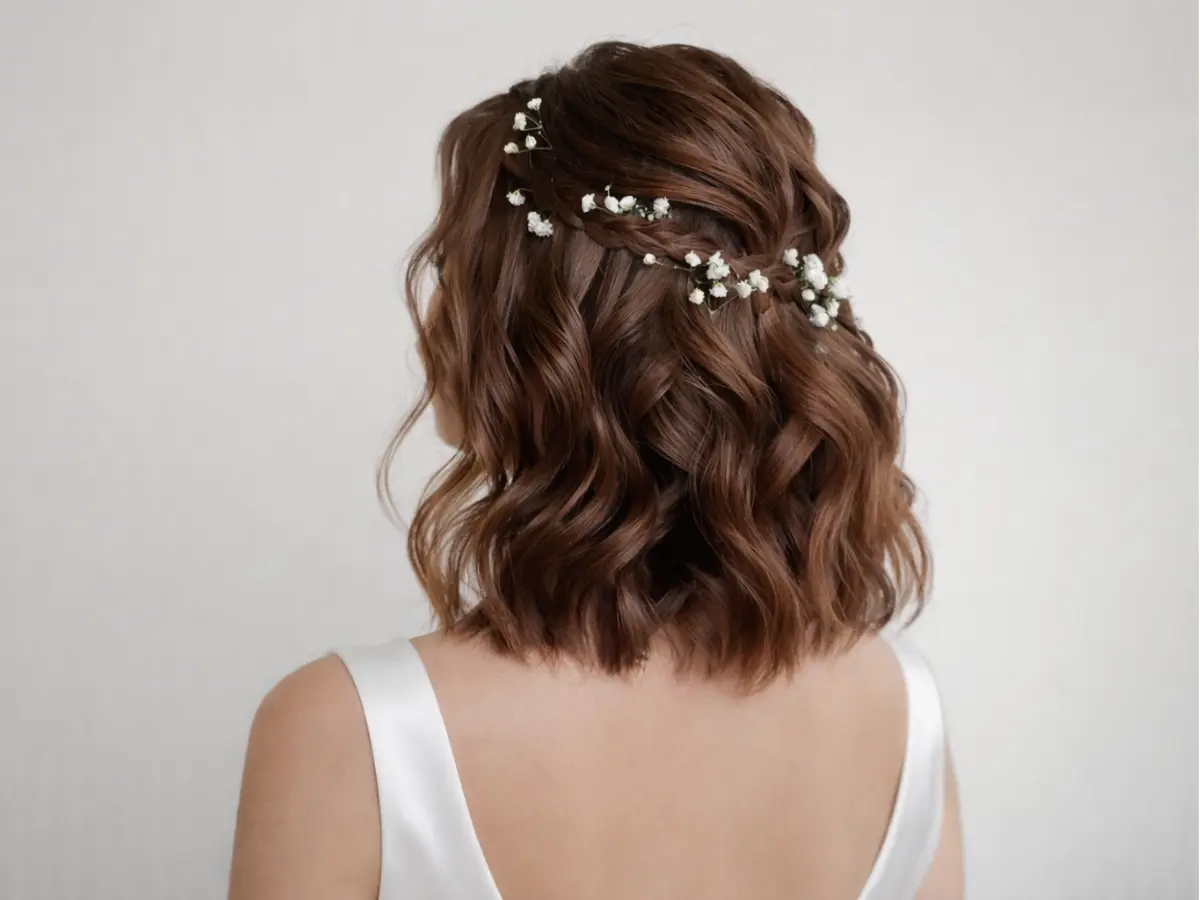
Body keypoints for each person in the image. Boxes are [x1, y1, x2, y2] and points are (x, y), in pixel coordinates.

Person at [228, 41, 963, 900]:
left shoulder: (347, 732)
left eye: (458, 269)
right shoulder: (904, 712)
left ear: (547, 338)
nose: (435, 314)